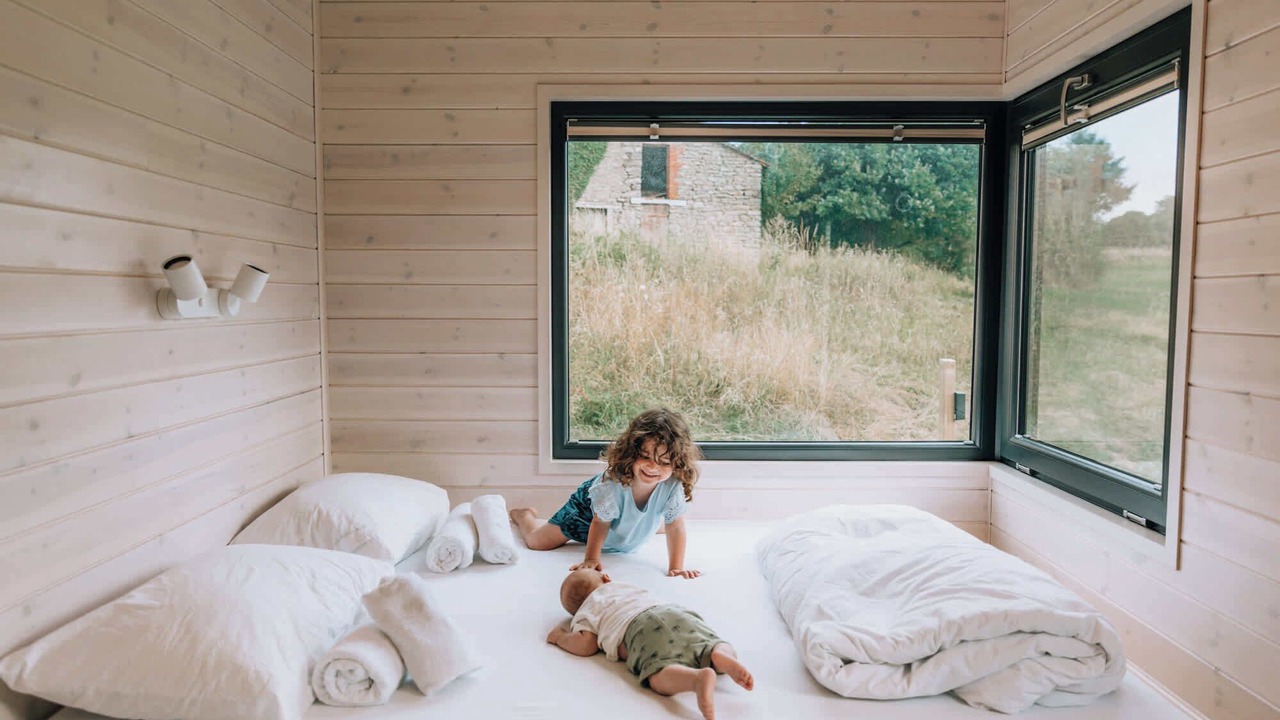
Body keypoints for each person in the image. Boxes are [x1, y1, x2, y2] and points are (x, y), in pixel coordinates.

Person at [510, 408, 704, 578]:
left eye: (664, 462)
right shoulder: (611, 484)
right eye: (645, 456)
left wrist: (676, 568)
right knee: (537, 542)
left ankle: (641, 522)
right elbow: (600, 522)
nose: (652, 467)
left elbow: (675, 527)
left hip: (618, 517)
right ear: (631, 452)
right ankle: (524, 515)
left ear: (677, 463)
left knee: (661, 521)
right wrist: (591, 559)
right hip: (587, 513)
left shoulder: (672, 484)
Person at [547, 568, 753, 720]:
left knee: (658, 673)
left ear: (575, 611)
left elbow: (586, 645)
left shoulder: (585, 613)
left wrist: (560, 637)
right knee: (708, 640)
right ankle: (718, 653)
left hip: (640, 629)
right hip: (672, 612)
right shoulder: (623, 586)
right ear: (606, 578)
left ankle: (695, 679)